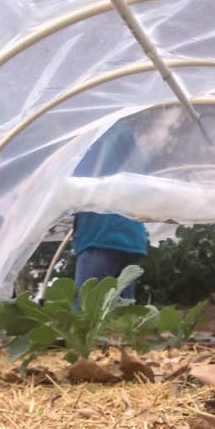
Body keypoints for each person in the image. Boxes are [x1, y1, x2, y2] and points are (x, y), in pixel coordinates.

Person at [72, 123, 148, 301]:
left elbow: (76, 185)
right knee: (124, 309)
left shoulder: (95, 137)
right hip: (132, 237)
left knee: (87, 306)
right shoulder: (126, 140)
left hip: (102, 235)